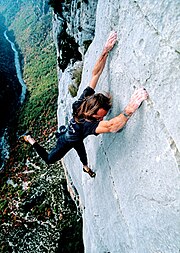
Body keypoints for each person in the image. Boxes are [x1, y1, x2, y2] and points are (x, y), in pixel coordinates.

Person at [22, 31, 148, 177]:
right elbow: (113, 126)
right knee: (49, 159)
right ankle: (30, 139)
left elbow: (95, 74)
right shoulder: (88, 123)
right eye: (100, 117)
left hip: (76, 135)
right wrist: (130, 109)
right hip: (66, 140)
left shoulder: (84, 101)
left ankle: (85, 167)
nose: (101, 119)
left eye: (103, 116)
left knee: (83, 155)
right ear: (92, 112)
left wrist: (105, 50)